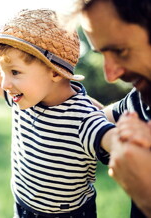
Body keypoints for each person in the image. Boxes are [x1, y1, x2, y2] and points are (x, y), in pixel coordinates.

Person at [0, 9, 116, 218]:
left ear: (54, 71)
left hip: (67, 214)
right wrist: (2, 60)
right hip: (23, 204)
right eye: (2, 72)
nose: (6, 84)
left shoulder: (83, 117)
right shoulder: (23, 99)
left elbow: (111, 139)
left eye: (15, 72)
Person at [67, 0, 151, 217]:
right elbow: (90, 118)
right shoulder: (141, 103)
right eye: (101, 54)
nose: (110, 75)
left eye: (120, 51)